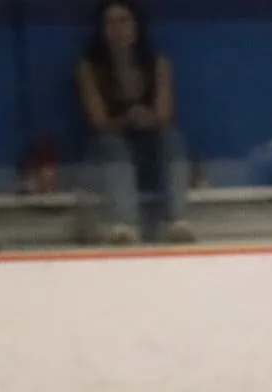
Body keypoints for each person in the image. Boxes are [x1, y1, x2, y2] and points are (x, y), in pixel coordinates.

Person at [77, 0, 194, 245]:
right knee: (112, 143)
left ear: (137, 25)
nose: (117, 29)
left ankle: (178, 221)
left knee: (172, 138)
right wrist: (126, 119)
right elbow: (98, 122)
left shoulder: (157, 63)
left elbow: (164, 114)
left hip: (149, 148)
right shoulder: (89, 67)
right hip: (108, 156)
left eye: (124, 21)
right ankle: (125, 224)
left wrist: (147, 118)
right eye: (110, 23)